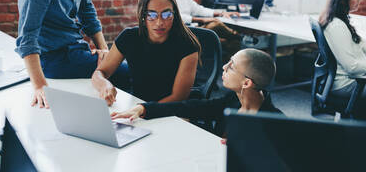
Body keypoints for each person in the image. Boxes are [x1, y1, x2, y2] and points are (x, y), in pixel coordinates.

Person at [110, 48, 282, 136]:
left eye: (231, 67)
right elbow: (190, 107)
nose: (224, 67)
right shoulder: (233, 100)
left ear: (247, 82)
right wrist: (143, 109)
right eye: (228, 62)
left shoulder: (275, 123)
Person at [92, 0, 201, 105]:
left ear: (174, 15)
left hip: (172, 111)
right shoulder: (129, 37)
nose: (159, 22)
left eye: (166, 14)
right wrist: (105, 84)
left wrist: (143, 111)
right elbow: (100, 72)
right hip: (137, 105)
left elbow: (178, 97)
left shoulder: (188, 45)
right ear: (143, 15)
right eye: (152, 15)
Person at [161, 0, 246, 63]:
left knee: (233, 43)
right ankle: (240, 36)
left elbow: (198, 9)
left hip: (194, 28)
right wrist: (202, 20)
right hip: (184, 33)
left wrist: (221, 13)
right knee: (215, 24)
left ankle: (228, 65)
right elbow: (177, 18)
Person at [319, 0, 366, 118]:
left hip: (351, 78)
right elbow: (352, 67)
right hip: (349, 83)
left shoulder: (337, 18)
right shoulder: (336, 26)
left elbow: (357, 42)